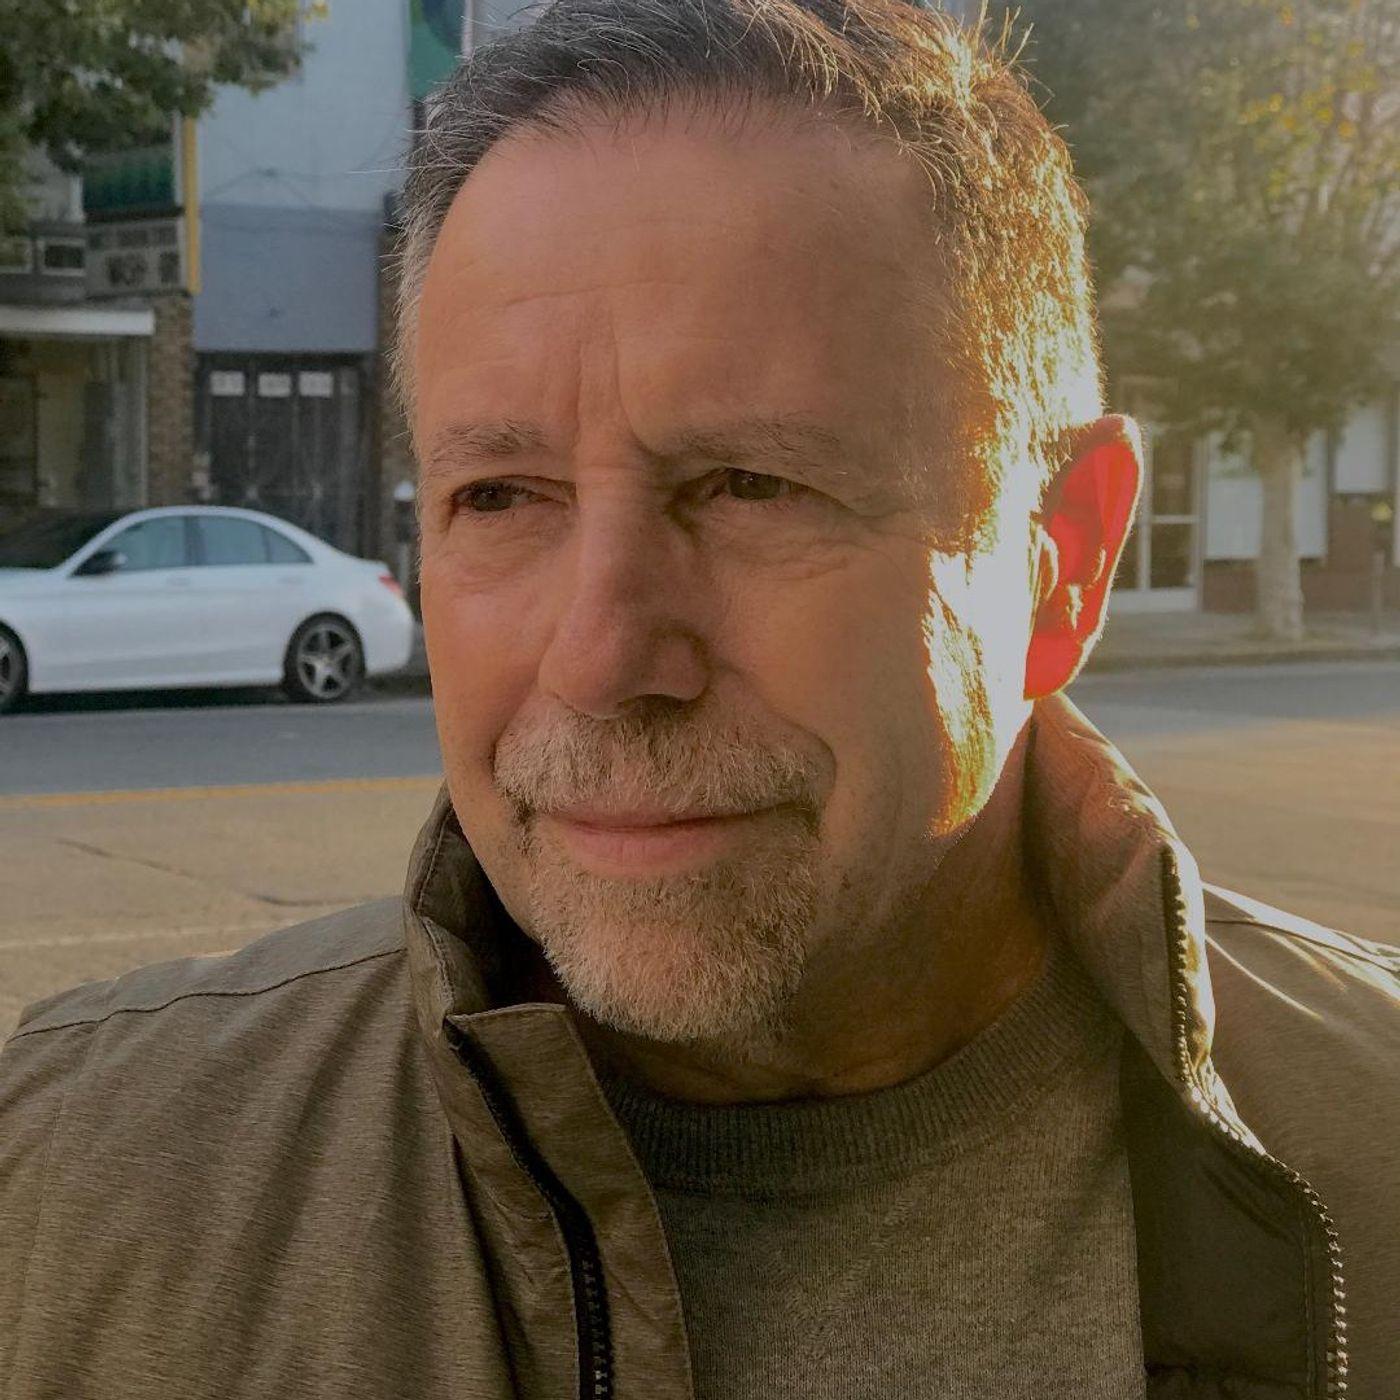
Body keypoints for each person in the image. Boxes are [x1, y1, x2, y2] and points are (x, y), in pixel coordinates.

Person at [2, 2, 1396, 1396]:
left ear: (1064, 559)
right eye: (502, 496)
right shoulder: (76, 1188)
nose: (601, 660)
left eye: (751, 486)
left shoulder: (1372, 1144)